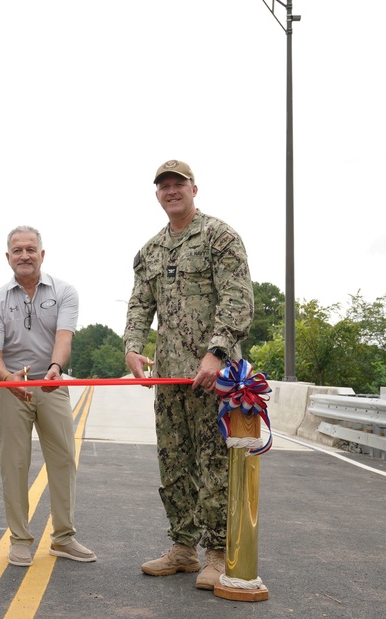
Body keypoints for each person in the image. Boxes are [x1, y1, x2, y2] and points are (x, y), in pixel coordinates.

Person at [123, 159, 253, 590]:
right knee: (174, 463)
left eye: (178, 184)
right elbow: (141, 304)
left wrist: (216, 352)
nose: (171, 190)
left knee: (215, 463)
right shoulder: (151, 251)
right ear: (157, 194)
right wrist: (133, 347)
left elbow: (237, 298)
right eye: (164, 186)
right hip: (171, 378)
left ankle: (218, 552)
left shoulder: (219, 236)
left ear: (194, 189)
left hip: (216, 377)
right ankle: (183, 548)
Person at [0, 225, 96, 567]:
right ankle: (19, 539)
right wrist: (7, 379)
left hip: (52, 381)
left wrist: (56, 367)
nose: (24, 255)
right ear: (8, 257)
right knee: (14, 464)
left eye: (31, 249)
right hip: (10, 387)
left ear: (42, 254)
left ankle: (63, 537)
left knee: (63, 459)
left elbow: (64, 337)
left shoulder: (64, 292)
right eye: (17, 250)